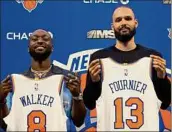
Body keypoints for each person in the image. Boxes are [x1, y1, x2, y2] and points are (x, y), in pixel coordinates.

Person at [83, 6, 171, 131]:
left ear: (136, 23)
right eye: (118, 20)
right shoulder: (99, 58)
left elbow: (165, 102)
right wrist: (95, 82)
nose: (123, 23)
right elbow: (89, 103)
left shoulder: (152, 57)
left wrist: (162, 79)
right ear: (112, 26)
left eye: (128, 19)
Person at [0, 29, 86, 131]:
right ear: (28, 48)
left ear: (52, 47)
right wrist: (1, 101)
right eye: (35, 39)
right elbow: (5, 125)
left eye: (45, 39)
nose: (40, 41)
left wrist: (77, 96)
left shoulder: (67, 78)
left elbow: (79, 121)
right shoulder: (15, 83)